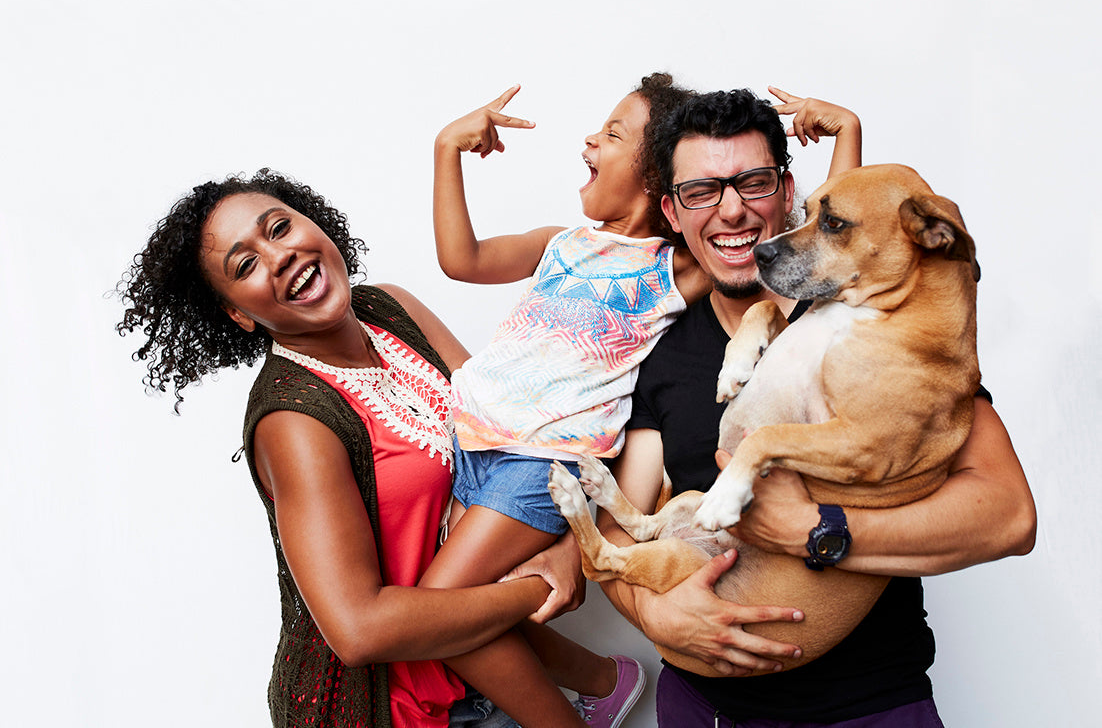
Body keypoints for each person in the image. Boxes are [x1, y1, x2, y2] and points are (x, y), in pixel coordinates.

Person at [426, 75, 861, 727]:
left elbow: (818, 249)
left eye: (613, 132)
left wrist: (847, 136)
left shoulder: (671, 265)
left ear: (655, 182)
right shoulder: (561, 242)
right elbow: (462, 259)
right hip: (473, 442)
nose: (590, 139)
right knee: (469, 610)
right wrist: (445, 151)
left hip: (544, 461)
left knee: (431, 611)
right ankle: (603, 681)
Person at [597, 89, 1037, 726]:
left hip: (867, 706)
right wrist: (652, 613)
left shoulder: (877, 328)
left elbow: (1008, 519)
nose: (732, 211)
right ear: (672, 210)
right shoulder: (659, 352)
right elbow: (623, 520)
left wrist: (817, 530)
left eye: (752, 182)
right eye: (701, 192)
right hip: (702, 706)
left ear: (785, 190)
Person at [114, 170, 591, 728]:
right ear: (239, 315)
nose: (280, 256)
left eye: (280, 227)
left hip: (498, 677)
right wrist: (543, 586)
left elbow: (511, 436)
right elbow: (359, 630)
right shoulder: (293, 421)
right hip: (400, 712)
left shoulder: (390, 307)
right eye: (245, 265)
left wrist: (570, 544)